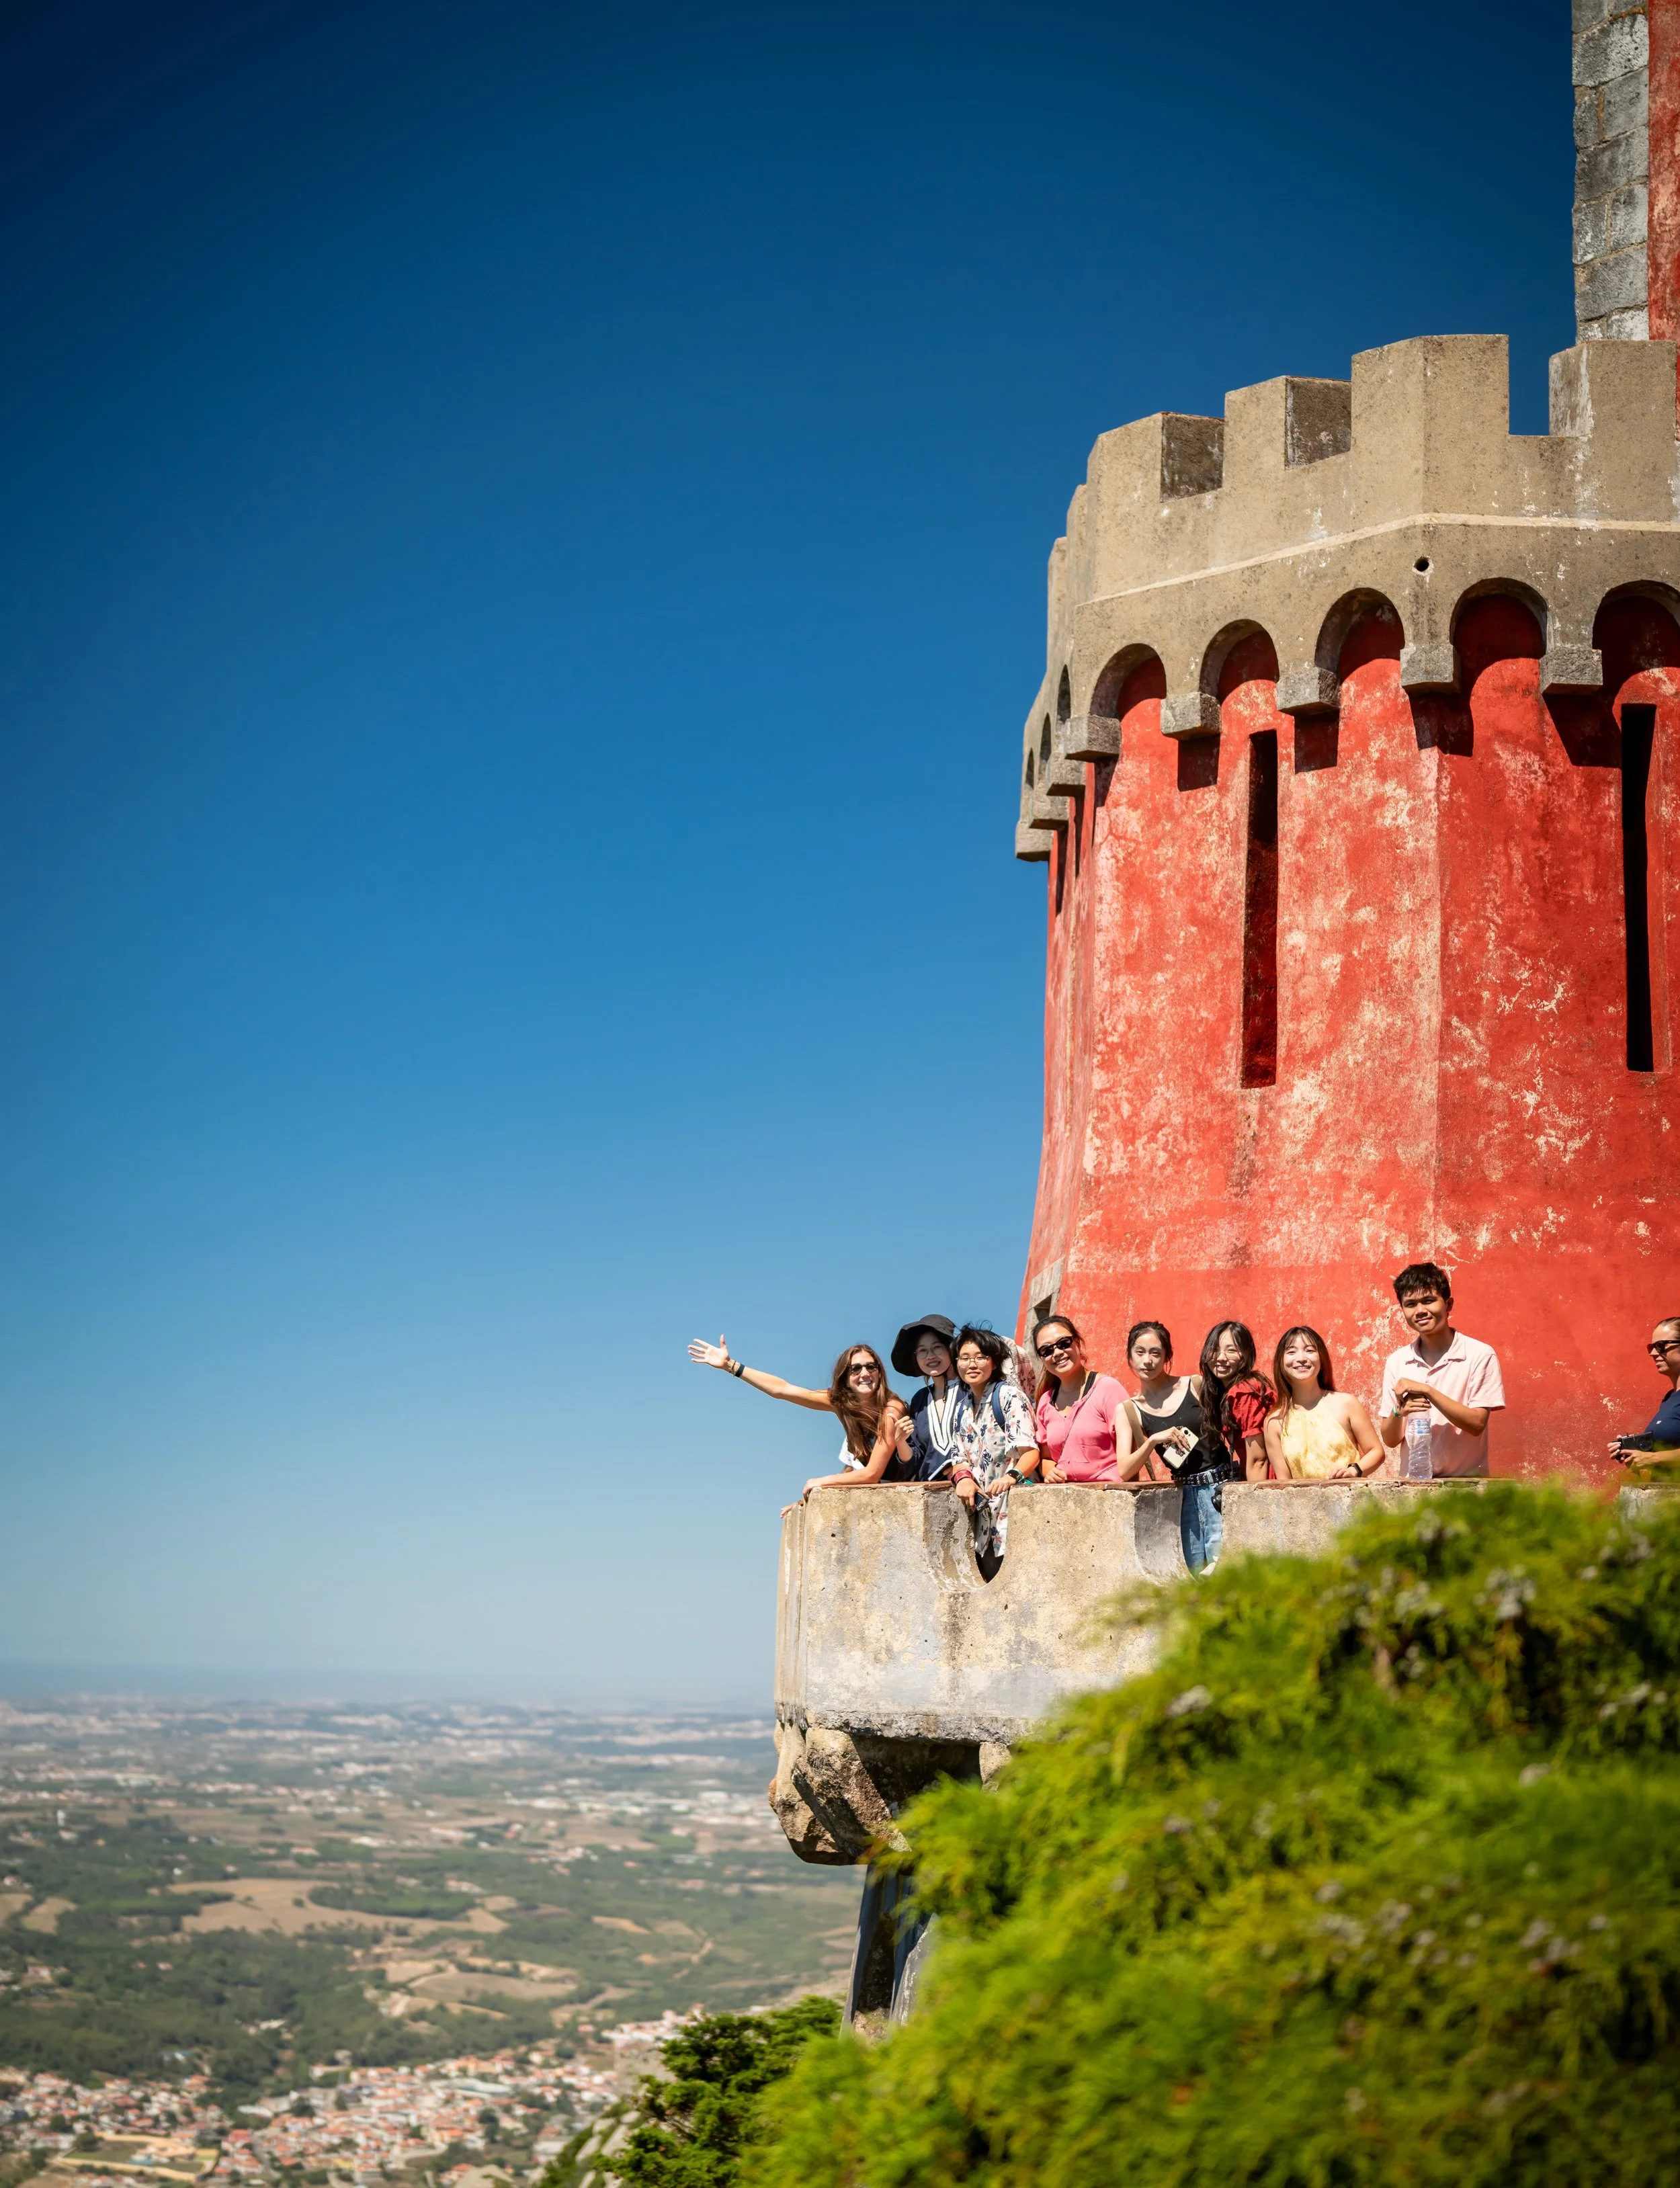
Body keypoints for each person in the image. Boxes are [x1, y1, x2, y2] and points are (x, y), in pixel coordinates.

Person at [687, 1334, 907, 1507]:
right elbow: (782, 1389)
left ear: (879, 1372)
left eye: (871, 1366)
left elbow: (872, 1474)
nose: (865, 1373)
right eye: (855, 1368)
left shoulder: (892, 1409)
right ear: (845, 1377)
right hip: (882, 1490)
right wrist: (731, 1366)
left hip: (908, 1488)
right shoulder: (841, 1403)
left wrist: (820, 1482)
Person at [1376, 1263, 1505, 1478]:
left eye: (1428, 1301)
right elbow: (1390, 1440)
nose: (1420, 1311)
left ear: (1448, 1304)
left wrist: (1428, 1391)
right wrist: (1398, 1412)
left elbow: (1477, 1424)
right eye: (1411, 1304)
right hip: (1413, 1487)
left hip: (1465, 1489)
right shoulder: (1397, 1361)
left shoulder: (1479, 1355)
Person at [1127, 1320, 1236, 1576]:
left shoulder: (1195, 1385)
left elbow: (1234, 1425)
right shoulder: (1130, 1410)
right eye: (1140, 1352)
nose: (1148, 1360)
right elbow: (1125, 1468)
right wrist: (1153, 1440)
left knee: (1228, 1574)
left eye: (1156, 1353)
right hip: (1182, 1500)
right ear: (1130, 1355)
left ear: (1167, 1356)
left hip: (1221, 1490)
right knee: (1195, 1578)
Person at [946, 1325, 1040, 1579]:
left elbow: (1030, 1452)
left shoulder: (1009, 1397)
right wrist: (963, 1477)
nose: (972, 1364)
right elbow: (959, 1458)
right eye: (964, 1358)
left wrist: (1010, 1478)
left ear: (995, 1362)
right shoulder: (962, 1408)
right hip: (982, 1524)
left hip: (1013, 1518)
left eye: (980, 1357)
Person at [1263, 1325, 1383, 1482]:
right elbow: (1284, 1482)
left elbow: (1376, 1451)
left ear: (1321, 1358)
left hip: (1351, 1501)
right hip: (1303, 1505)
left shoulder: (1346, 1404)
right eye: (1291, 1352)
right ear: (1281, 1362)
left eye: (1310, 1350)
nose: (1301, 1358)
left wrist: (1354, 1471)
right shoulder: (1274, 1422)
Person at [1032, 1314, 1141, 1485]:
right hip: (1066, 1501)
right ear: (1042, 1358)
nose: (1058, 1353)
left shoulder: (1107, 1389)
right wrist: (1050, 1472)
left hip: (1109, 1495)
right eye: (1047, 1350)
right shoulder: (1046, 1402)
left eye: (1064, 1343)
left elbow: (1133, 1452)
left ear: (1077, 1342)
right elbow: (1046, 1458)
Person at [1196, 1321, 1275, 1482]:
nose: (1221, 1358)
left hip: (1266, 1481)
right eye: (1215, 1350)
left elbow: (1258, 1460)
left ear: (1246, 1355)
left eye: (1231, 1350)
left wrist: (1252, 1502)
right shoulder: (1225, 1391)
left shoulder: (1245, 1393)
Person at [888, 1314, 964, 1482]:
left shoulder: (970, 1391)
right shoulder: (920, 1400)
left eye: (937, 1347)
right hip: (931, 1493)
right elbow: (915, 1460)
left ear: (951, 1349)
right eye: (922, 1351)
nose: (930, 1356)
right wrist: (900, 1440)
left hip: (973, 1487)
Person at [1608, 1315, 1680, 1472]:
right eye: (1651, 1347)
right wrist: (1636, 1453)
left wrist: (1653, 1458)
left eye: (1661, 1346)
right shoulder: (1669, 1398)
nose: (1653, 1353)